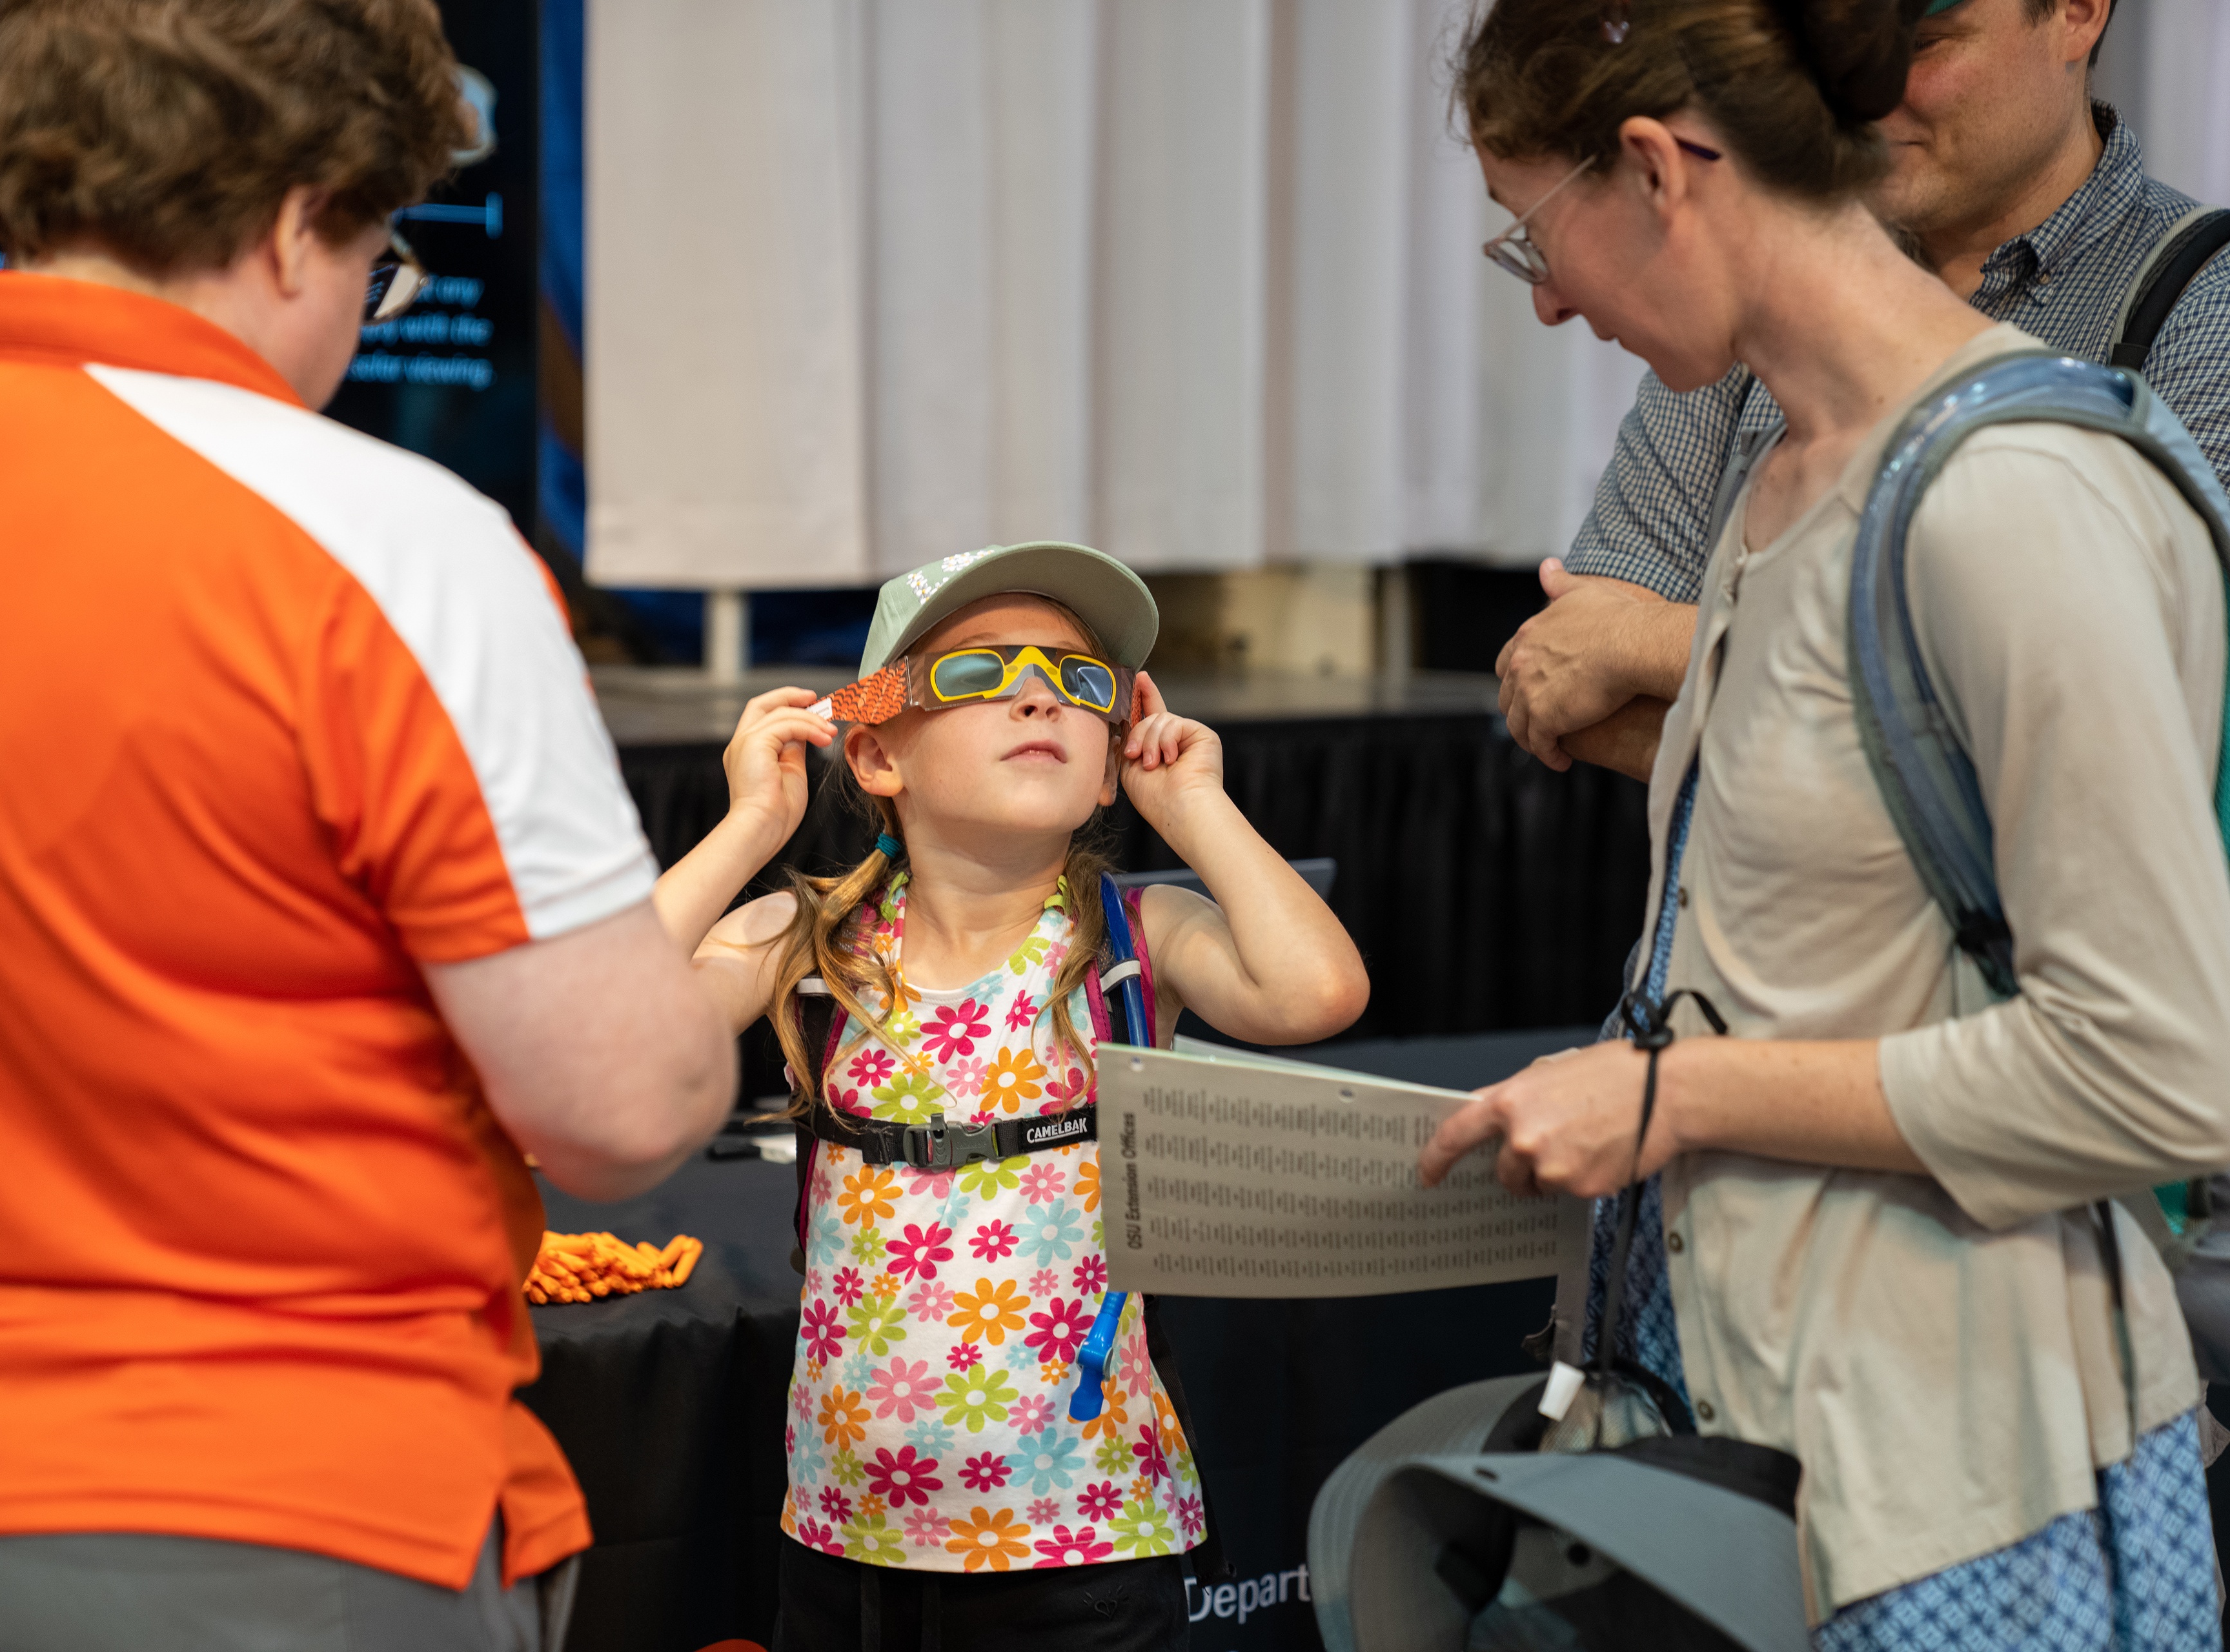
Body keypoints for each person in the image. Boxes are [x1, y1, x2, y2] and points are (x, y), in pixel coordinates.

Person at [0, 2, 735, 1647]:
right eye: (379, 265)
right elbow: (621, 1106)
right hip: (279, 1519)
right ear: (297, 224)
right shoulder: (392, 539)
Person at [1420, 0, 2230, 1645]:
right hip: (1759, 1426)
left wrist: (1673, 1092)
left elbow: (2162, 1066)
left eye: (1536, 234)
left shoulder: (2016, 498)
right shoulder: (1794, 478)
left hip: (1964, 1483)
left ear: (1655, 167)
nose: (1554, 296)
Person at [649, 542, 1368, 1648]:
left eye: (1081, 681)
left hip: (1084, 1549)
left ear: (1105, 763)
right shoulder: (809, 942)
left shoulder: (1133, 942)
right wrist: (750, 825)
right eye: (981, 671)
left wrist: (1196, 809)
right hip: (848, 1544)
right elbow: (609, 1028)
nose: (1039, 692)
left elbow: (1319, 992)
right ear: (878, 749)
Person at [1494, 0, 2230, 781]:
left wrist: (1645, 642)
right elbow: (1572, 689)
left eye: (1922, 44)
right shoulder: (1774, 275)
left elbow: (2112, 713)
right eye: (1838, 51)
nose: (1865, 94)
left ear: (2078, 14)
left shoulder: (2203, 305)